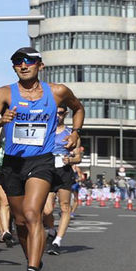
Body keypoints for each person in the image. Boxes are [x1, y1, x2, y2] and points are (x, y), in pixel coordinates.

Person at [0, 46, 83, 271]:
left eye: (29, 61)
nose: (23, 65)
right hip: (13, 163)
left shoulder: (57, 92)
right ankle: (33, 264)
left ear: (40, 65)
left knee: (31, 212)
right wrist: (0, 121)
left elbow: (78, 108)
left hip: (41, 160)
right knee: (20, 223)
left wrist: (76, 131)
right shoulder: (4, 93)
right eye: (17, 62)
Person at [45, 108, 84, 256]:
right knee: (46, 210)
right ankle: (52, 230)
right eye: (55, 112)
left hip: (64, 171)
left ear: (65, 114)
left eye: (61, 112)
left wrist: (70, 159)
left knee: (65, 206)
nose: (58, 115)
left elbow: (78, 158)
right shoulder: (45, 130)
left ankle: (57, 241)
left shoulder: (71, 134)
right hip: (47, 170)